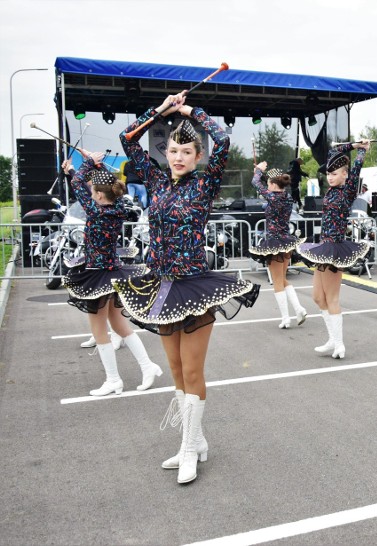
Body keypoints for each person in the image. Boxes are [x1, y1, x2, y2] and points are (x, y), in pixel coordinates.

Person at [115, 92, 260, 485]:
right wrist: (161, 110)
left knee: (193, 369)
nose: (178, 157)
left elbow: (225, 141)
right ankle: (192, 443)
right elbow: (128, 138)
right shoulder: (158, 180)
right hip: (160, 286)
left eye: (186, 151)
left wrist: (190, 112)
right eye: (173, 150)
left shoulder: (205, 183)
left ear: (198, 156)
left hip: (194, 287)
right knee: (176, 369)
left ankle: (190, 448)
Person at [62, 152, 160, 396]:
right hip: (113, 272)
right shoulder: (117, 207)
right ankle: (148, 366)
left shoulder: (96, 212)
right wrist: (89, 166)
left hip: (97, 274)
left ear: (97, 195)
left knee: (100, 329)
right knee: (119, 324)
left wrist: (83, 165)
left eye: (93, 191)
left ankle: (114, 380)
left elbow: (78, 185)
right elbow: (84, 184)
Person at [297, 141, 371, 359]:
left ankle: (339, 344)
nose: (330, 176)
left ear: (345, 175)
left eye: (335, 173)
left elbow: (356, 168)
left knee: (332, 298)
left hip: (336, 249)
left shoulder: (347, 191)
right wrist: (353, 143)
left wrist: (362, 151)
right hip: (323, 246)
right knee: (318, 297)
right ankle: (332, 339)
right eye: (328, 173)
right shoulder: (330, 191)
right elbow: (332, 151)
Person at [248, 161, 308, 329]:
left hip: (275, 242)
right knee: (282, 279)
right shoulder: (288, 198)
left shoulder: (272, 197)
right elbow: (262, 185)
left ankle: (285, 318)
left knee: (277, 281)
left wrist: (259, 170)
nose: (267, 187)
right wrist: (262, 173)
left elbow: (255, 183)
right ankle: (299, 309)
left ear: (274, 185)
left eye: (269, 184)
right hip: (287, 242)